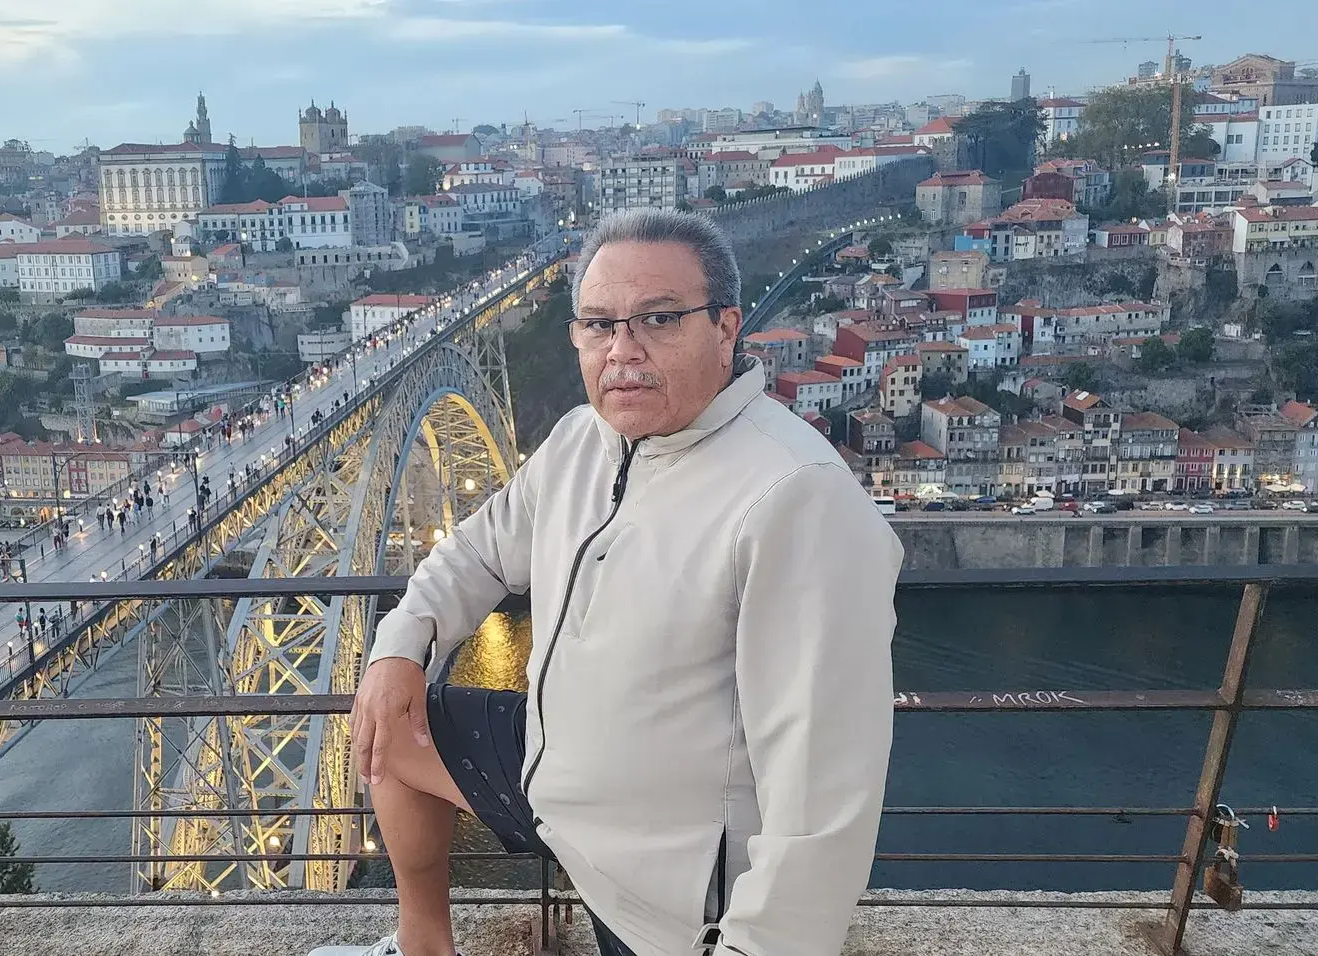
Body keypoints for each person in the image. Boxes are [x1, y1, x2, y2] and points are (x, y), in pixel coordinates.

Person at [307, 210, 902, 956]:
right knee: (391, 726)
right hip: (557, 775)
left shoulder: (797, 497)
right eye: (598, 325)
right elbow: (476, 554)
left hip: (673, 889)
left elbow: (824, 799)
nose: (622, 351)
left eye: (658, 319)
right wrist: (399, 647)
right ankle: (423, 946)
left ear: (726, 329)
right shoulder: (584, 441)